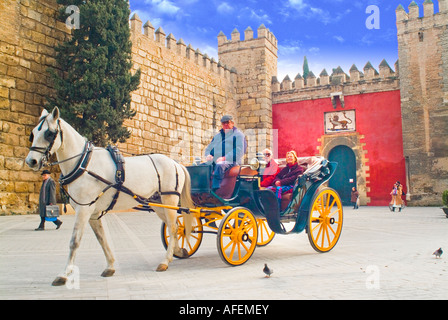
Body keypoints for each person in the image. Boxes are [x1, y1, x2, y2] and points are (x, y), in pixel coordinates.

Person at [204, 115, 247, 191]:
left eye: (228, 122)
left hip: (232, 161)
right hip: (215, 160)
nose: (225, 125)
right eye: (223, 123)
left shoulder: (239, 135)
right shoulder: (217, 136)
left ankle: (216, 190)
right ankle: (199, 189)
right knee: (201, 166)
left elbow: (239, 150)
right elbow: (209, 148)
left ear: (232, 123)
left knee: (220, 165)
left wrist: (224, 158)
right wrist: (208, 155)